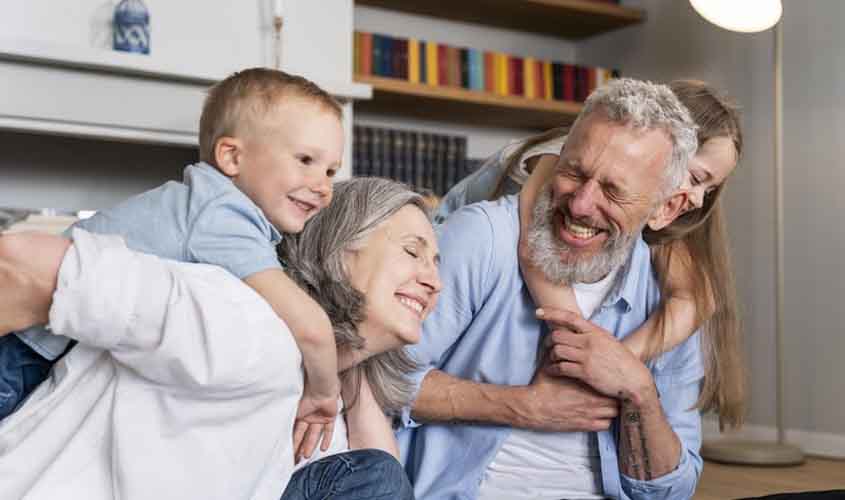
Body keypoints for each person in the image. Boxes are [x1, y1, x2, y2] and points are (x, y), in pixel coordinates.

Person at [0, 177, 440, 500]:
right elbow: (22, 262)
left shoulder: (319, 398)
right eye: (411, 251)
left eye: (436, 263)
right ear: (340, 251)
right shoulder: (237, 316)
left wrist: (344, 367)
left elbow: (382, 478)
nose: (434, 281)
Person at [397, 78, 703, 500]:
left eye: (613, 191)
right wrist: (523, 406)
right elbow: (374, 378)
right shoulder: (483, 238)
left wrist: (640, 391)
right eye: (574, 171)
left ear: (665, 209)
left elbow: (672, 490)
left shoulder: (666, 301)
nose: (580, 205)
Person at [1, 69, 345, 438]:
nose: (323, 187)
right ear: (231, 157)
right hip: (24, 351)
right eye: (306, 160)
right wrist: (325, 393)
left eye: (331, 171)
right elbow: (310, 327)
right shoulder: (224, 215)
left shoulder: (200, 204)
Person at [437, 79, 745, 429]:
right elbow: (533, 255)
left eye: (711, 187)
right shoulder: (564, 158)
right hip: (438, 250)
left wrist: (618, 361)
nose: (699, 197)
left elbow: (696, 299)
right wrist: (583, 357)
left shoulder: (661, 210)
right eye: (696, 177)